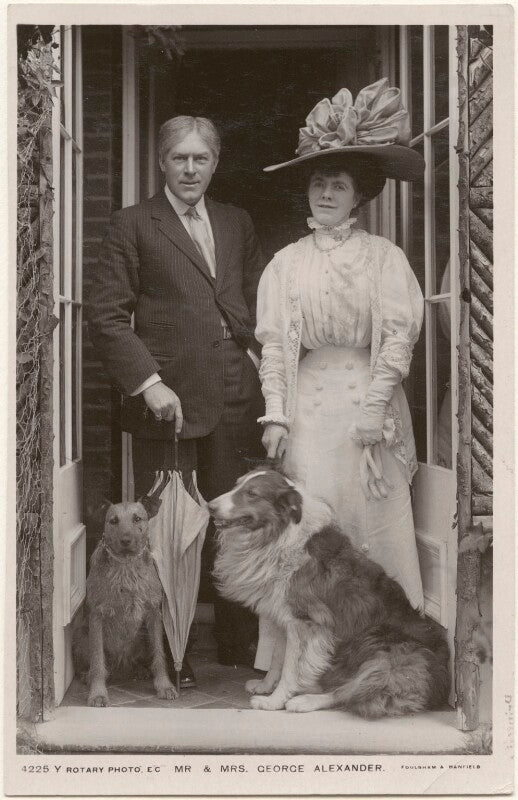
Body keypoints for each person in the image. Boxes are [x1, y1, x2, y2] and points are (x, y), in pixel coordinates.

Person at [254, 79, 426, 670]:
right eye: (320, 182)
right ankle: (299, 665)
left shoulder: (384, 259)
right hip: (309, 412)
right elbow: (275, 345)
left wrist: (376, 408)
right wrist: (276, 414)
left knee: (369, 530)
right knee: (308, 540)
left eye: (340, 185)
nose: (327, 193)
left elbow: (399, 336)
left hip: (365, 410)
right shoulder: (286, 263)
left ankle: (383, 656)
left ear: (360, 197)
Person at [86, 116, 265, 685]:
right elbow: (107, 316)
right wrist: (149, 382)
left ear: (215, 163)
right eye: (179, 159)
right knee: (167, 532)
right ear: (161, 163)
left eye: (201, 159)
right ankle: (173, 658)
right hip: (168, 404)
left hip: (235, 397)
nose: (191, 169)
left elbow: (255, 306)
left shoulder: (236, 223)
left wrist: (263, 367)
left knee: (232, 524)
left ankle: (239, 651)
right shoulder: (134, 224)